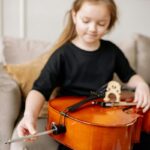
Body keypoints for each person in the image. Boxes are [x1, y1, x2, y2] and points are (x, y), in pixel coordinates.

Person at [17, 0, 150, 150]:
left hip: (105, 117)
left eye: (101, 23)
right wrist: (29, 116)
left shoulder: (112, 51)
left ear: (109, 23)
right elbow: (40, 89)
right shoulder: (63, 54)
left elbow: (129, 76)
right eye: (86, 21)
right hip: (74, 122)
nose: (92, 28)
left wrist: (141, 84)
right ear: (74, 16)